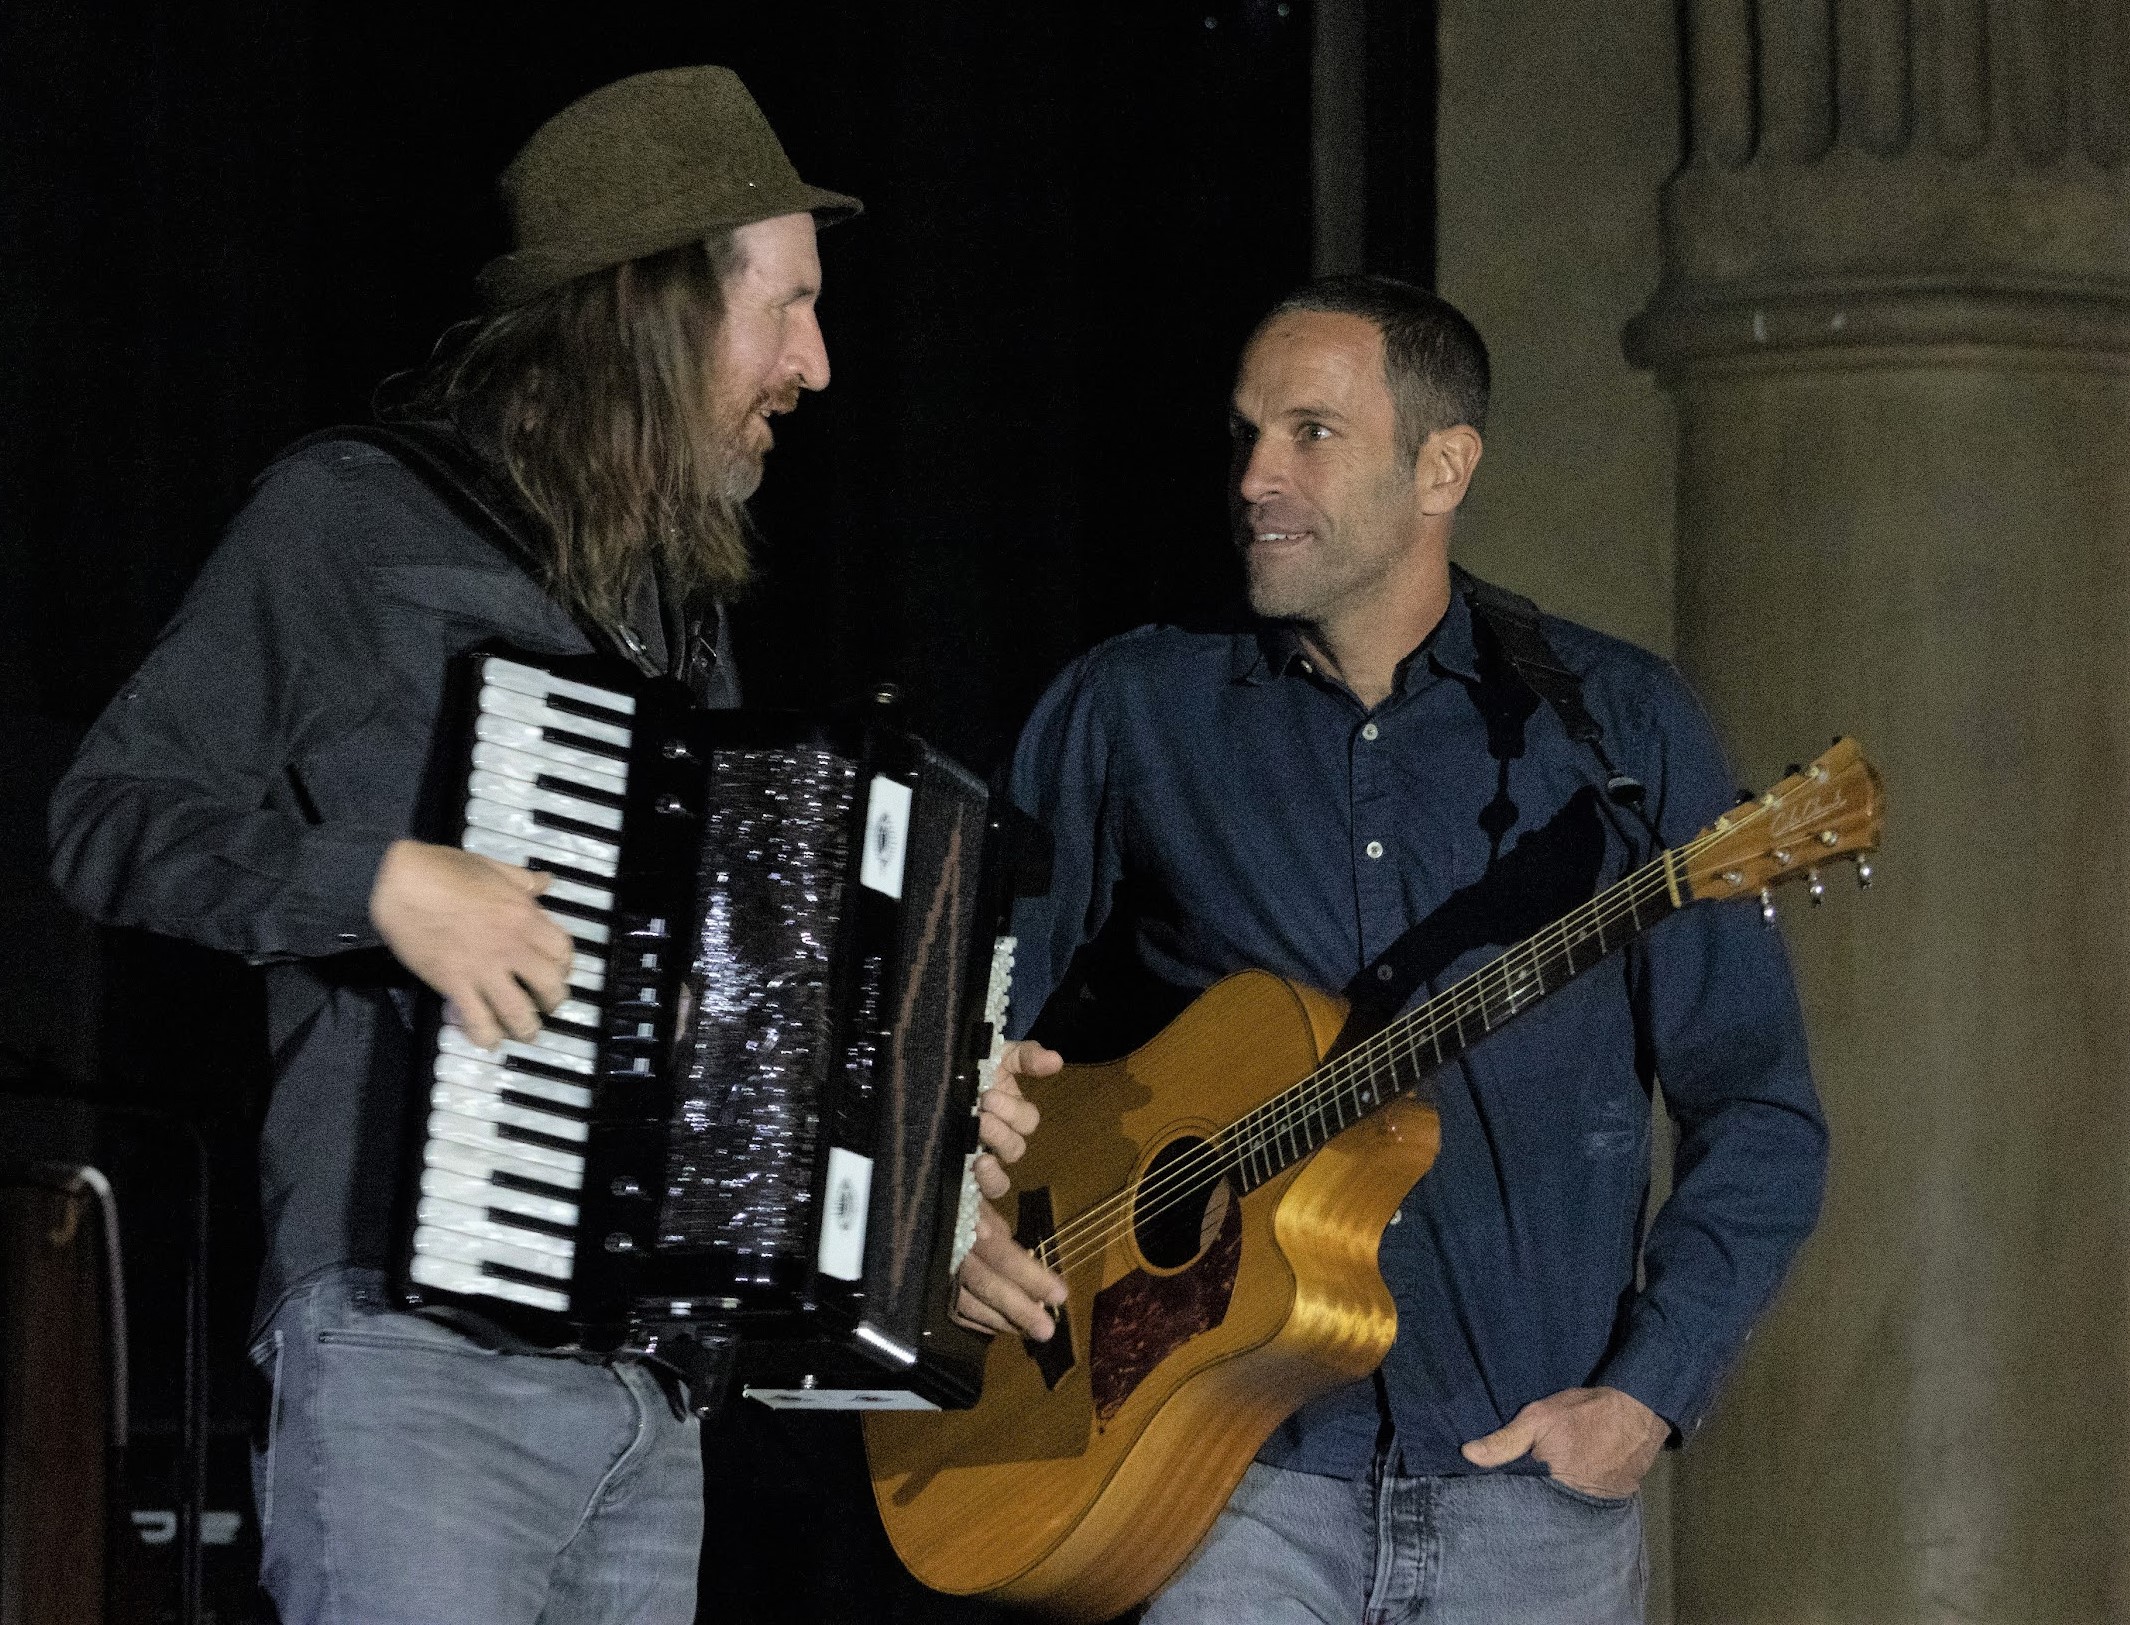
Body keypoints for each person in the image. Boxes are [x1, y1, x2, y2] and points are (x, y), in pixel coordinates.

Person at [47, 66, 1062, 1625]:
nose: (819, 363)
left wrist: (926, 1136)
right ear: (652, 308)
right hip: (410, 1354)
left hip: (646, 1398)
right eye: (785, 308)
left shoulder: (676, 624)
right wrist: (383, 885)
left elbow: (722, 1029)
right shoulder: (351, 518)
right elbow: (107, 817)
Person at [1002, 275, 1828, 1622]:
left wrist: (1639, 1400)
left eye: (1311, 434)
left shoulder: (1613, 731)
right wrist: (963, 1216)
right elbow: (963, 1025)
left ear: (1442, 466)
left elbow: (1760, 1109)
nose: (1255, 477)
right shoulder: (1135, 707)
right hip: (1223, 1485)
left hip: (1523, 1497)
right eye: (1244, 434)